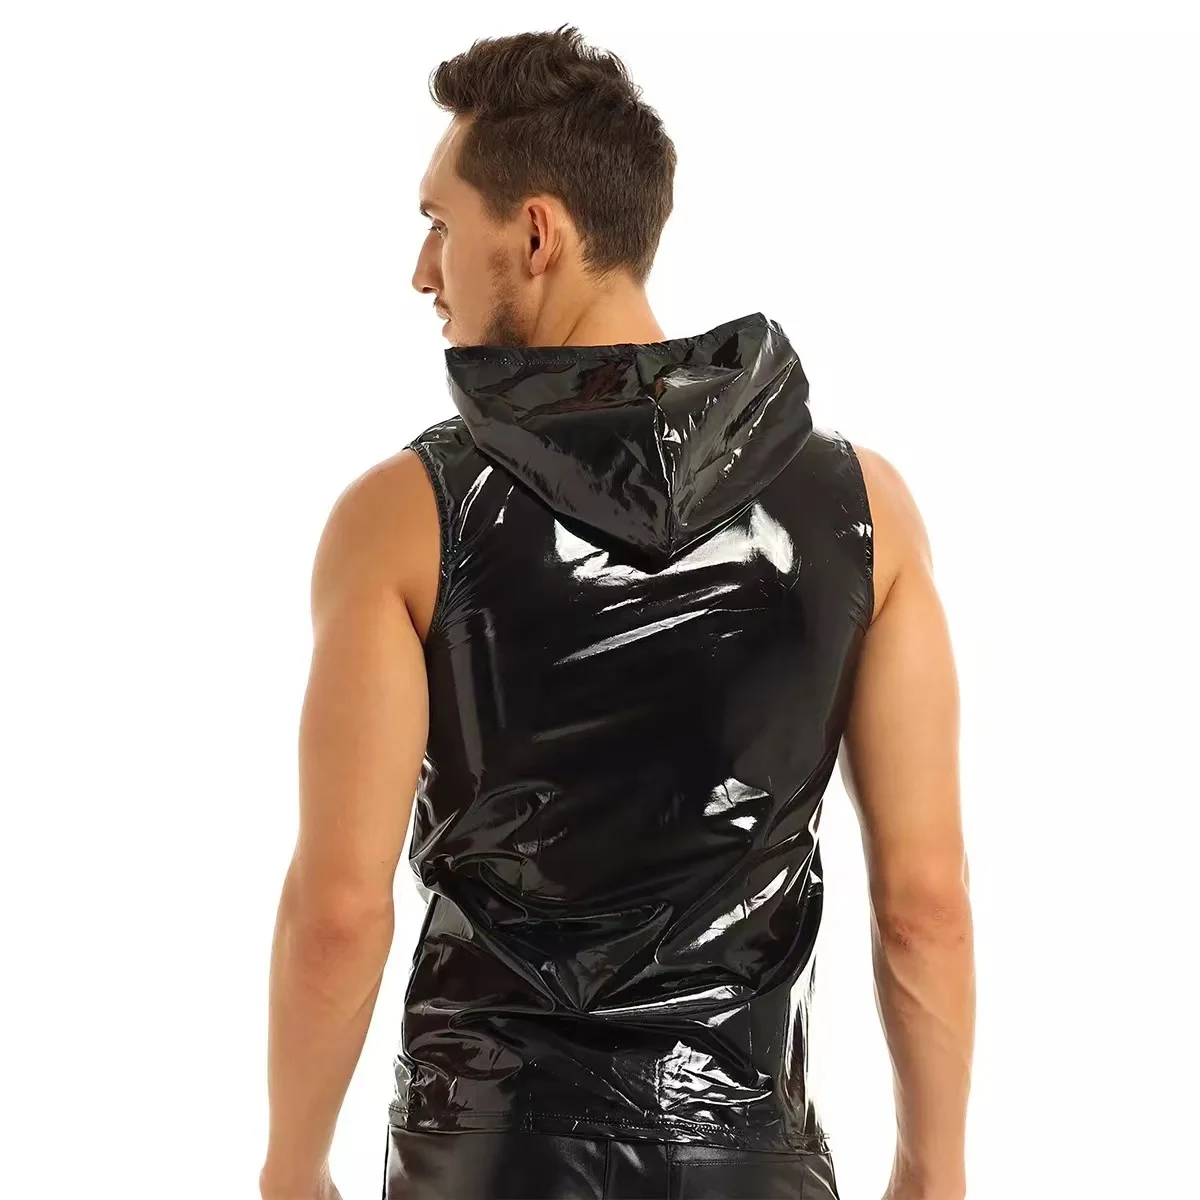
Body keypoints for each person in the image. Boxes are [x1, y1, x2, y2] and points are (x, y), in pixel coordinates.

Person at [259, 24, 974, 1200]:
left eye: (440, 222)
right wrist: (931, 1173)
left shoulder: (405, 518)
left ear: (535, 235)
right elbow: (926, 908)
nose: (423, 270)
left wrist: (292, 1170)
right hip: (748, 1160)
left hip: (492, 1156)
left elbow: (338, 912)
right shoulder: (865, 511)